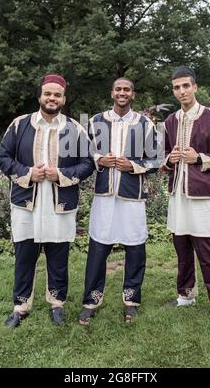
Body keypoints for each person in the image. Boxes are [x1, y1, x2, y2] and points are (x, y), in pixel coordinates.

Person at [0, 73, 94, 328]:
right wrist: (30, 173)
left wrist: (59, 175)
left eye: (57, 95)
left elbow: (87, 164)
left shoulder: (75, 129)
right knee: (24, 257)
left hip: (59, 205)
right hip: (26, 204)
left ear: (64, 98)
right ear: (40, 95)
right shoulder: (20, 125)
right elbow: (4, 157)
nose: (52, 98)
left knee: (58, 257)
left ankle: (57, 303)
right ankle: (20, 306)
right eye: (48, 93)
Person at [78, 78, 162, 325]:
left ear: (133, 94)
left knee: (135, 249)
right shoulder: (95, 122)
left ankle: (131, 301)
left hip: (132, 196)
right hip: (104, 196)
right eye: (118, 89)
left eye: (127, 90)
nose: (122, 93)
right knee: (98, 249)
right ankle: (91, 301)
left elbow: (156, 160)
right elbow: (84, 153)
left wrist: (133, 165)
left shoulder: (145, 124)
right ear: (112, 93)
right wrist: (99, 160)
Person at [163, 66, 210, 326]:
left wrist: (200, 158)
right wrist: (170, 159)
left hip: (204, 196)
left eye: (186, 85)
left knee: (209, 253)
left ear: (195, 87)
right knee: (182, 250)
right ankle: (186, 295)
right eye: (177, 87)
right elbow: (163, 159)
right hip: (178, 196)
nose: (182, 91)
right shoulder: (170, 121)